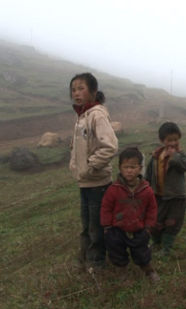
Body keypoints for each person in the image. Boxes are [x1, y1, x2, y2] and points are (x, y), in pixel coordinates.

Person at [68, 72, 118, 268]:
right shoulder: (81, 116)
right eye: (73, 89)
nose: (76, 93)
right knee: (86, 223)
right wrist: (75, 167)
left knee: (96, 226)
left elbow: (110, 146)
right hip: (85, 181)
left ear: (93, 91)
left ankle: (96, 264)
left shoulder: (96, 115)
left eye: (81, 88)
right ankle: (85, 258)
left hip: (97, 182)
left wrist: (90, 166)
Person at [100, 147, 160, 282]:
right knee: (117, 252)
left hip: (139, 229)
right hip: (117, 229)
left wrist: (148, 227)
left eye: (133, 167)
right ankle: (122, 271)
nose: (129, 170)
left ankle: (149, 271)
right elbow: (106, 207)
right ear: (120, 168)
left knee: (142, 252)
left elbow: (152, 209)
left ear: (140, 168)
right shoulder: (114, 189)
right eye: (125, 167)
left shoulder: (146, 190)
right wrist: (107, 226)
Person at [145, 122, 186, 255]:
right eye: (169, 140)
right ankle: (156, 242)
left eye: (175, 140)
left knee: (173, 221)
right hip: (158, 195)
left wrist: (174, 156)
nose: (172, 143)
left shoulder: (180, 155)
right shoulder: (156, 156)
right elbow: (149, 173)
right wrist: (146, 186)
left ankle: (167, 247)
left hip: (176, 196)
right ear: (162, 140)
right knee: (156, 220)